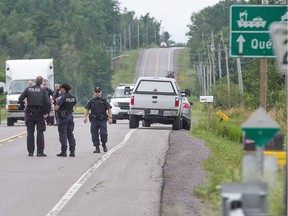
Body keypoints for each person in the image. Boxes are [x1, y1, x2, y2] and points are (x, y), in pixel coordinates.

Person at [18, 76, 50, 157]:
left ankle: (30, 152)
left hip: (30, 113)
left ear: (35, 81)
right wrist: (46, 112)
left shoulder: (28, 89)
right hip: (40, 113)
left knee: (30, 133)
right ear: (41, 82)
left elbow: (20, 98)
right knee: (40, 132)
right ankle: (40, 152)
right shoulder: (43, 91)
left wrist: (23, 107)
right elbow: (48, 102)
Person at [84, 86, 112, 153]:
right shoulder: (91, 101)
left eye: (98, 92)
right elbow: (87, 109)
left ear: (101, 92)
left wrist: (110, 118)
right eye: (96, 92)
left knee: (103, 134)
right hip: (94, 120)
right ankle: (97, 148)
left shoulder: (104, 101)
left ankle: (104, 144)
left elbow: (109, 109)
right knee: (94, 134)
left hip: (102, 120)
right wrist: (85, 117)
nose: (97, 93)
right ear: (94, 93)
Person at [54, 83, 77, 157]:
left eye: (61, 88)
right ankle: (72, 152)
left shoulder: (63, 97)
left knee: (63, 135)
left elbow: (56, 107)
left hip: (63, 117)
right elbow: (73, 105)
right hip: (70, 116)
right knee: (70, 134)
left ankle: (63, 152)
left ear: (63, 89)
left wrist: (57, 101)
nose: (60, 89)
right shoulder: (73, 97)